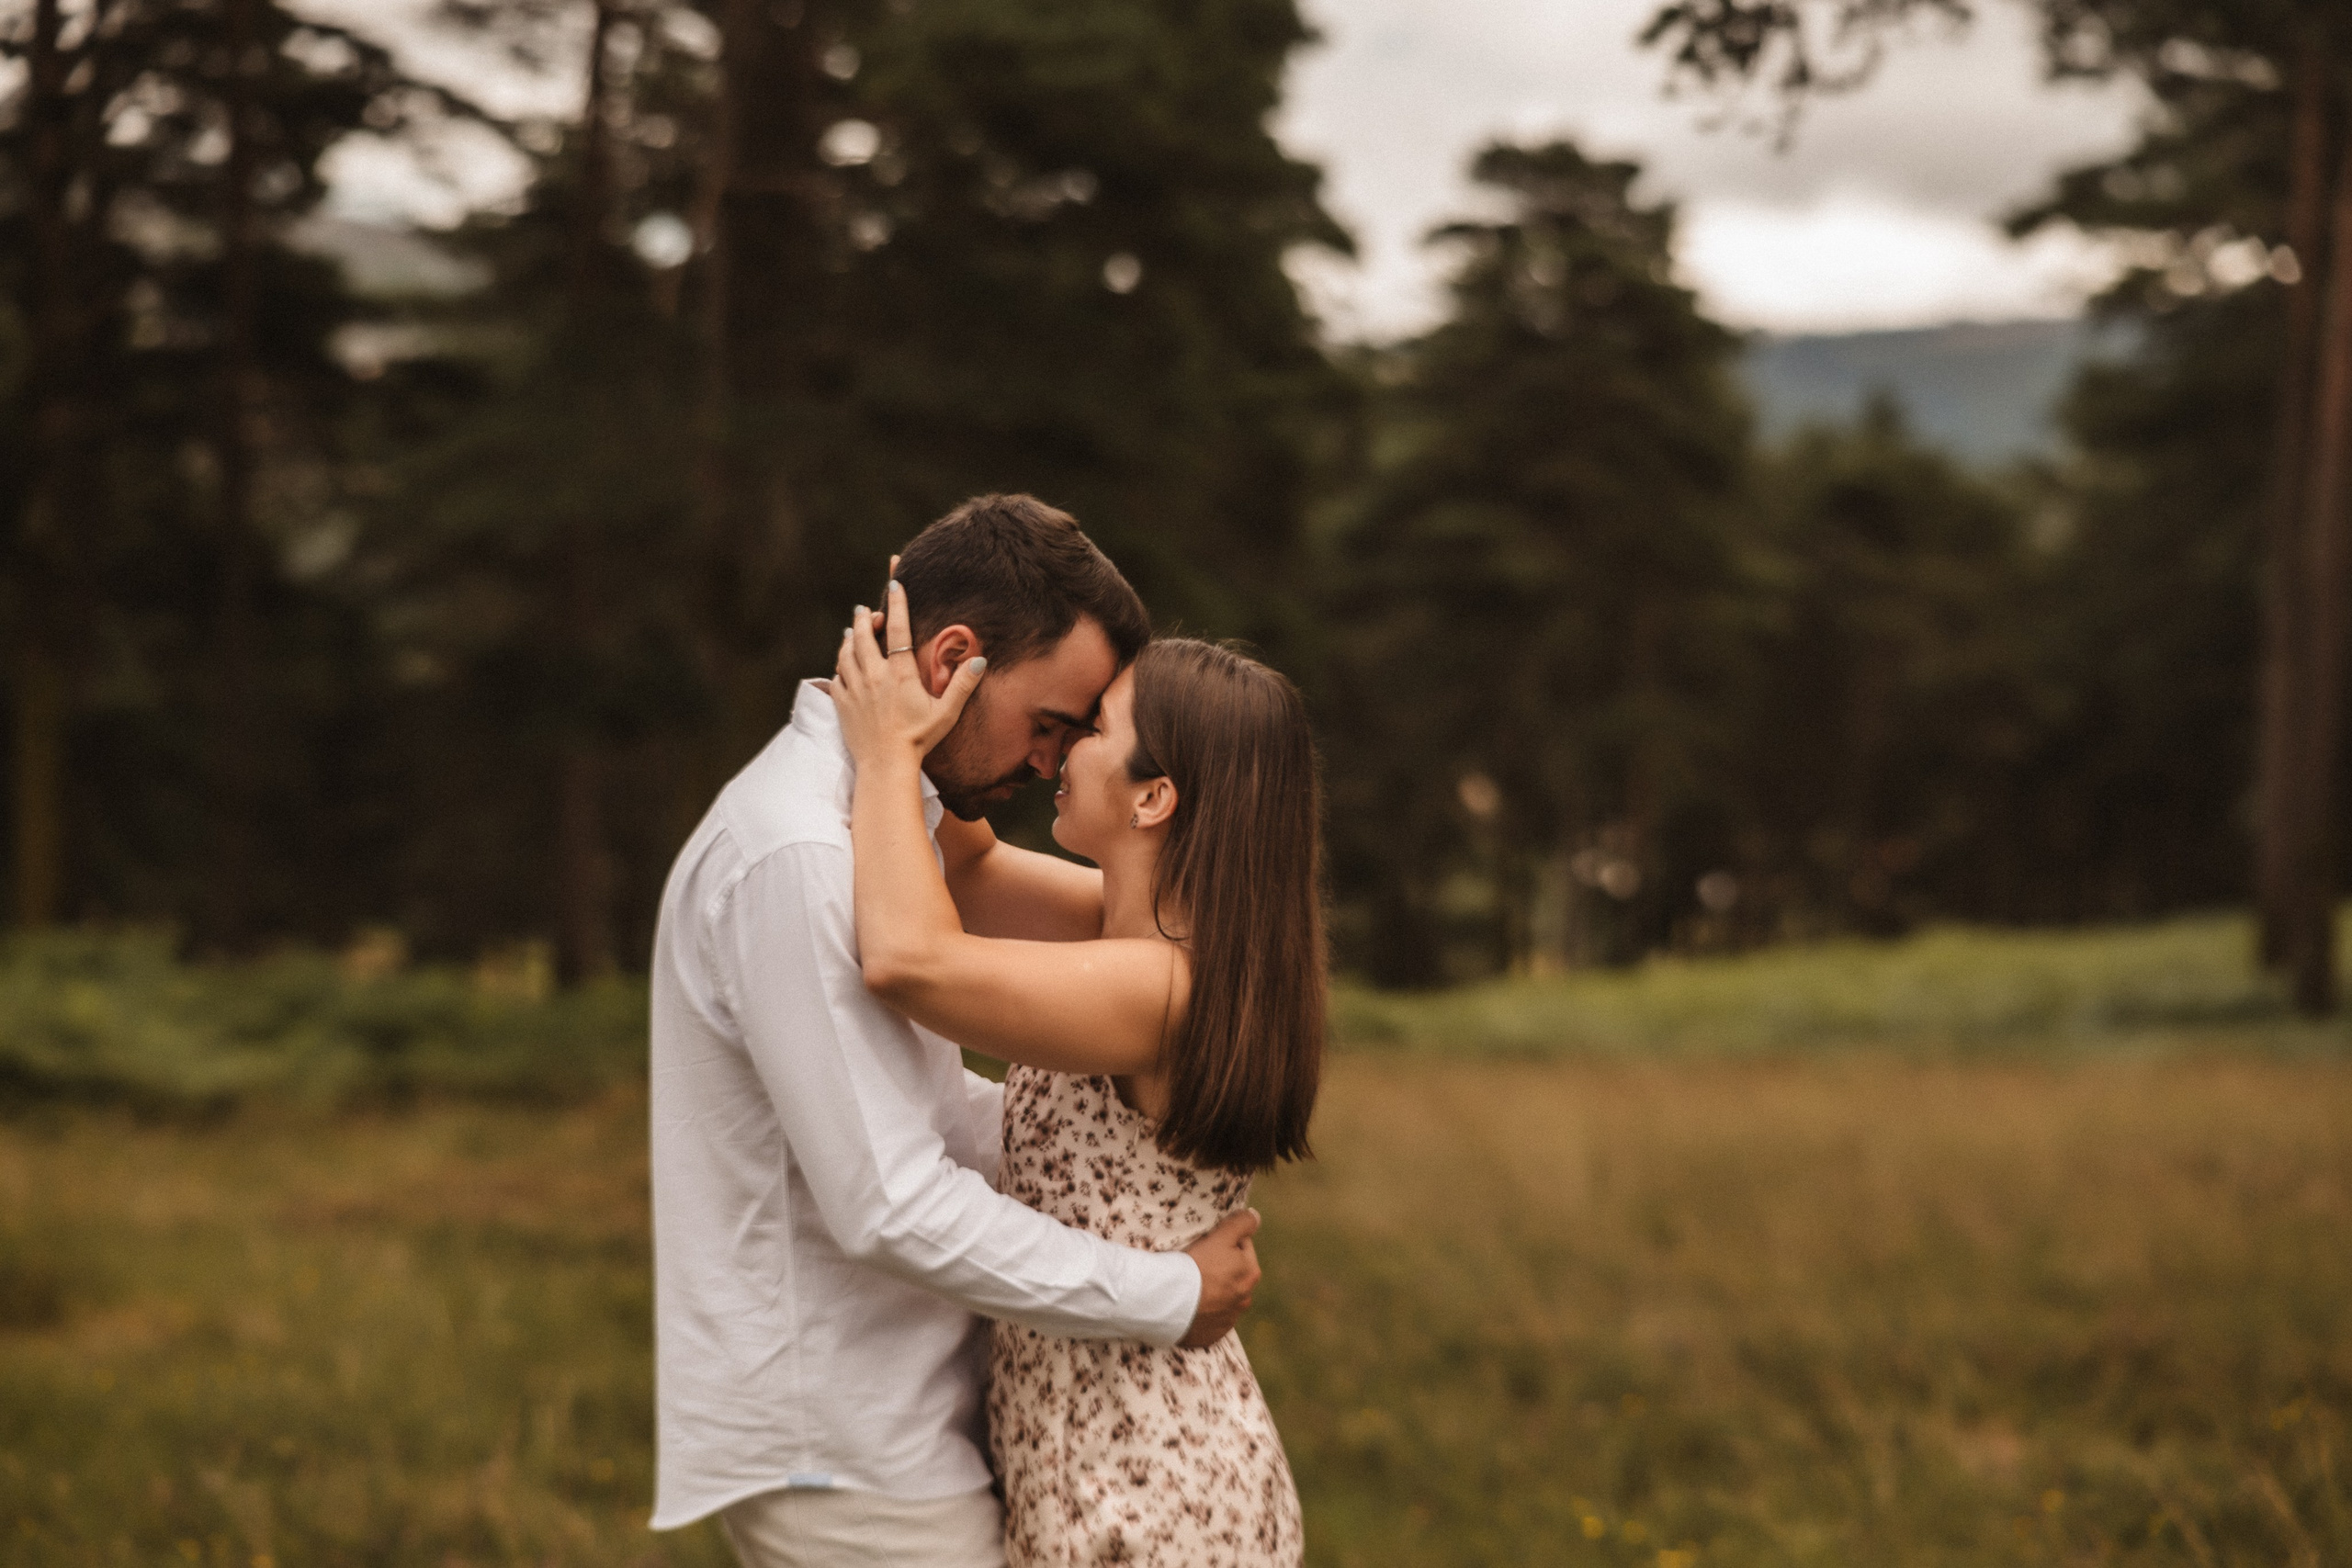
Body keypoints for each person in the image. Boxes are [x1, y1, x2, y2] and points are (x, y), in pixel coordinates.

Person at [647, 495, 1264, 1568]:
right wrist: (1168, 1292)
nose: (1050, 761)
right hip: (849, 1449)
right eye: (1051, 722)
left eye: (1081, 735)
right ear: (951, 660)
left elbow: (928, 1098)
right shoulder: (802, 858)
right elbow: (889, 1201)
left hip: (905, 1424)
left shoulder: (875, 833)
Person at [829, 574, 1325, 1567]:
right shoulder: (1130, 931)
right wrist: (943, 690)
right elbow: (962, 871)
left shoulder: (1161, 990)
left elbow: (910, 959)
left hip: (1148, 1493)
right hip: (1103, 1459)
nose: (1059, 750)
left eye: (1093, 729)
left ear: (1154, 794)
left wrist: (885, 755)